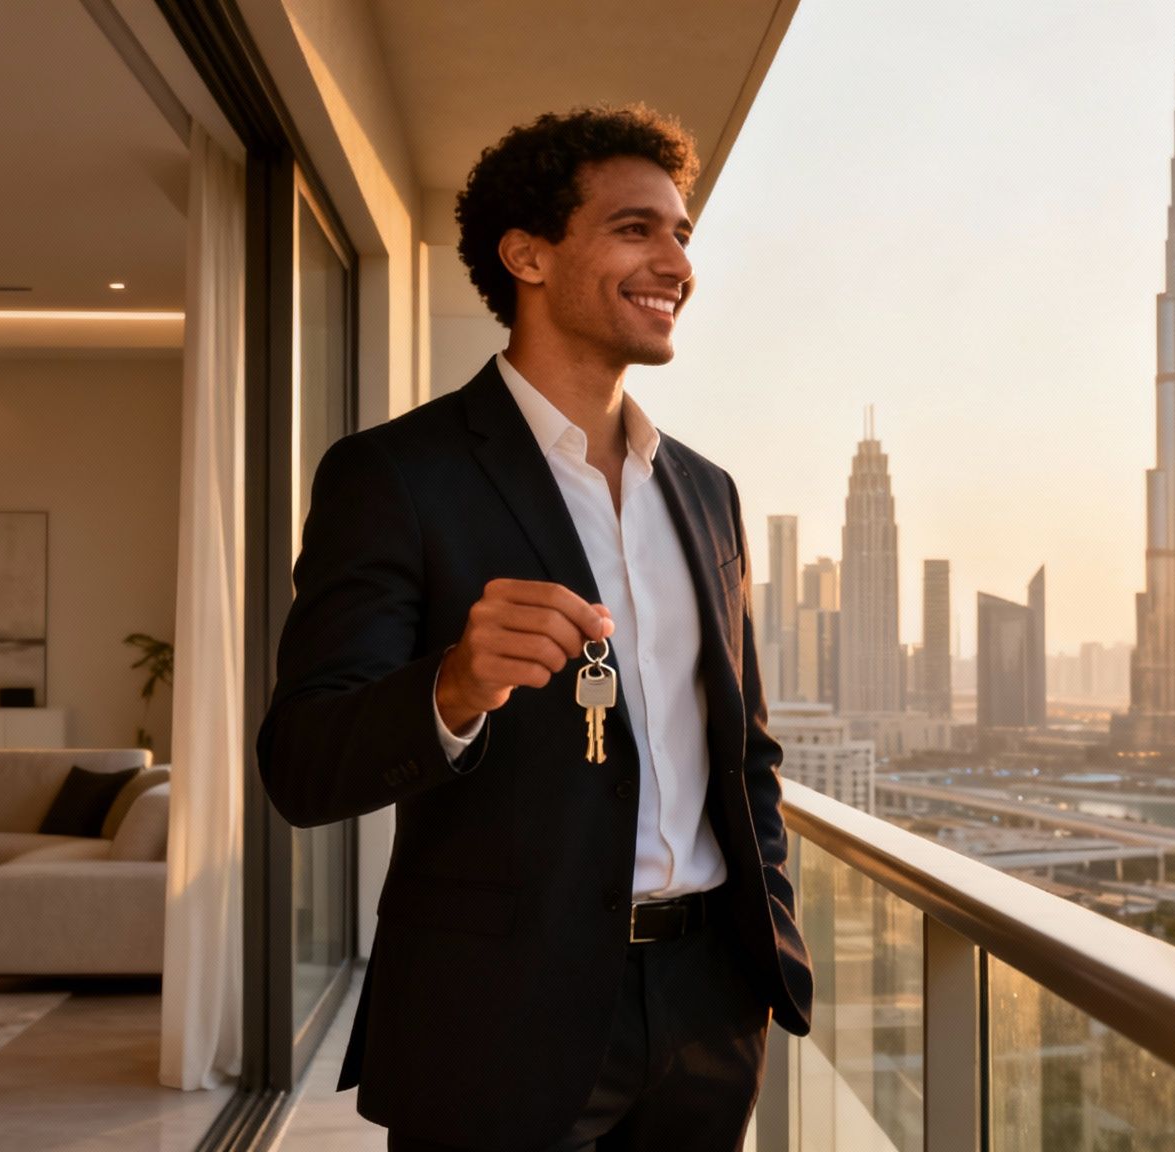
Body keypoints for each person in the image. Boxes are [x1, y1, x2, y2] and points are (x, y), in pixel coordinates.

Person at [257, 103, 812, 1152]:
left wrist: (765, 945)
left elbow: (746, 753)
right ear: (527, 256)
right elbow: (301, 765)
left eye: (681, 234)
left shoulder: (708, 493)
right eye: (635, 230)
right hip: (494, 1019)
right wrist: (452, 687)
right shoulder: (396, 475)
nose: (675, 264)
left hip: (708, 1010)